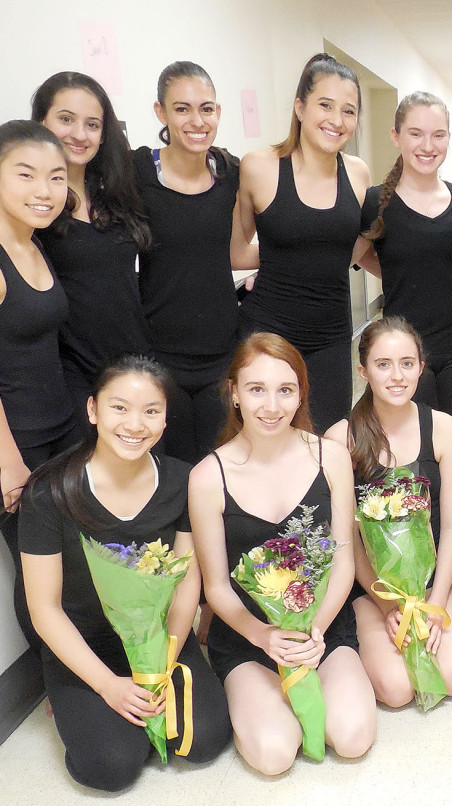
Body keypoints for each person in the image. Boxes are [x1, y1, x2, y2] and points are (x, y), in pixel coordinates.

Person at [19, 355, 231, 791]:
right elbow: (44, 610)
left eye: (151, 411)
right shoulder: (49, 492)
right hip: (86, 649)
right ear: (93, 410)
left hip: (161, 637)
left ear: (166, 419)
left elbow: (188, 579)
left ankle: (133, 715)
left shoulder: (181, 481)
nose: (135, 424)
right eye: (119, 408)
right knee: (112, 767)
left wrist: (163, 661)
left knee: (206, 741)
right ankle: (84, 708)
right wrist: (106, 687)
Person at [189, 333, 375, 774]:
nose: (271, 406)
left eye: (285, 390)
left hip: (322, 627)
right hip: (248, 634)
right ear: (234, 393)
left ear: (300, 395)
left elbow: (344, 561)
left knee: (352, 737)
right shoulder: (207, 477)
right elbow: (216, 587)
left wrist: (316, 632)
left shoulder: (330, 457)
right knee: (274, 755)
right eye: (257, 390)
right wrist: (262, 636)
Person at [324, 317, 452, 706]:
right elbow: (349, 542)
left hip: (435, 577)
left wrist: (436, 603)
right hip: (374, 585)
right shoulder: (340, 438)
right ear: (363, 371)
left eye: (407, 363)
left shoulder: (443, 428)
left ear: (421, 368)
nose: (397, 376)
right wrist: (389, 605)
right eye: (383, 364)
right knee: (395, 690)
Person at [237, 53, 371, 431]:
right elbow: (235, 249)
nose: (337, 120)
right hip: (268, 333)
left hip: (331, 335)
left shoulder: (358, 174)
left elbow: (353, 246)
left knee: (329, 441)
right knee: (268, 440)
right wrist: (283, 256)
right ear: (300, 106)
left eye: (349, 110)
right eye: (325, 105)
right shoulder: (259, 166)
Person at [133, 61, 254, 464]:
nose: (196, 120)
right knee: (174, 472)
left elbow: (240, 245)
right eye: (182, 108)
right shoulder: (137, 173)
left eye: (207, 108)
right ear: (160, 112)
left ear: (218, 112)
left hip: (221, 353)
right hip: (159, 356)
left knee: (220, 468)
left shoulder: (231, 173)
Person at [32, 72, 152, 437]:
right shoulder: (32, 207)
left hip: (134, 364)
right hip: (74, 377)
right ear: (40, 123)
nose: (79, 134)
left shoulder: (114, 193)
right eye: (65, 119)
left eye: (92, 124)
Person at [0, 120, 78, 651]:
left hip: (60, 429)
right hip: (17, 442)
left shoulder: (35, 244)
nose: (43, 191)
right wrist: (6, 458)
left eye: (55, 177)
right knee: (38, 570)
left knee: (71, 557)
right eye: (25, 175)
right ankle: (60, 682)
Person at [354, 92, 452, 419]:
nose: (428, 145)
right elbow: (353, 255)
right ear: (396, 136)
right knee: (414, 445)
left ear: (449, 138)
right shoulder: (375, 203)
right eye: (416, 134)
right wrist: (396, 273)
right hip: (402, 353)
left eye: (438, 135)